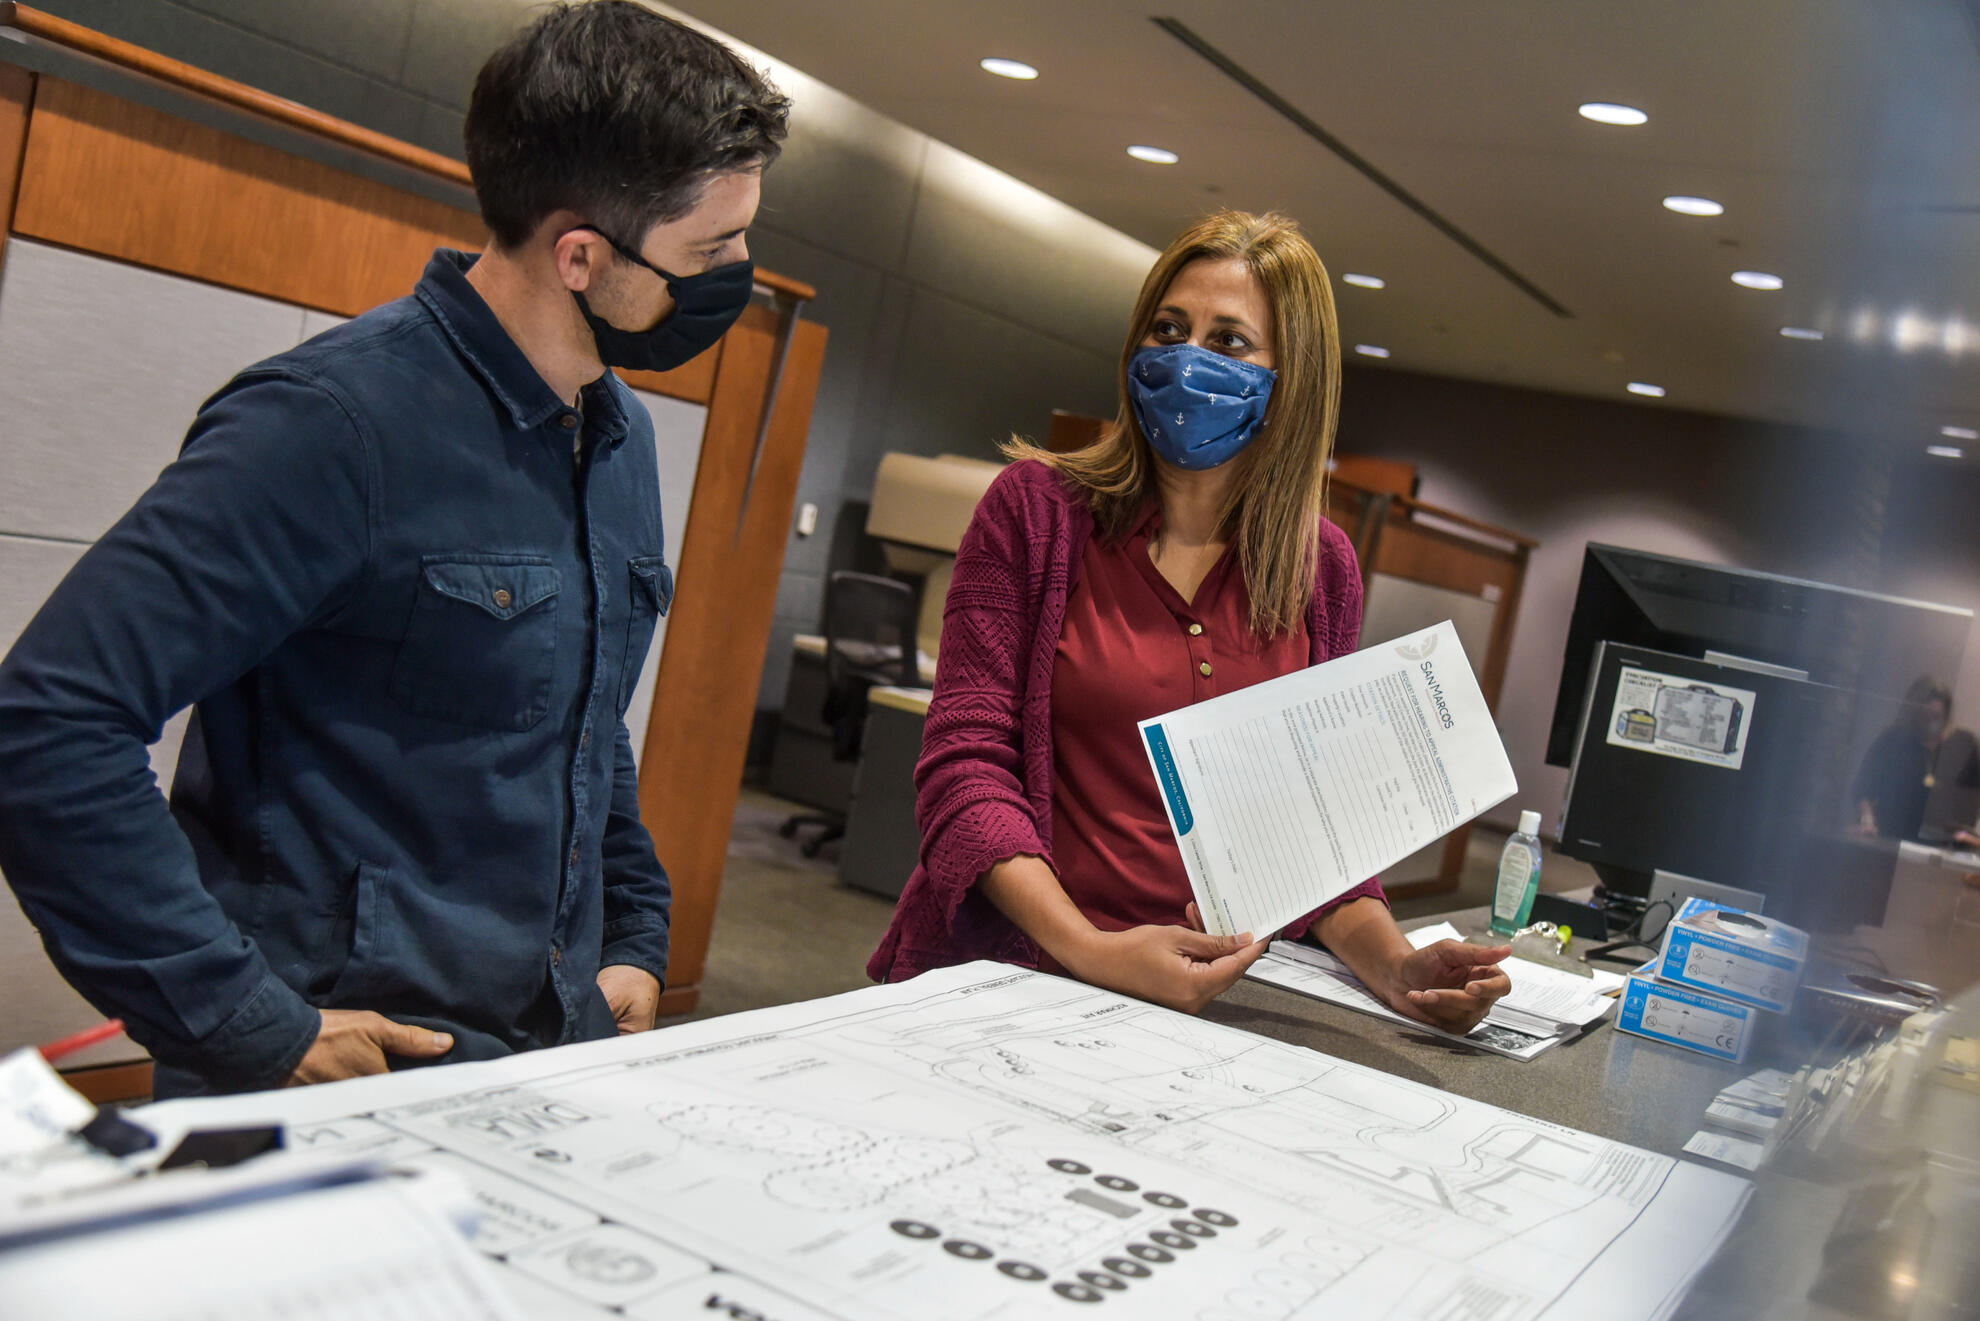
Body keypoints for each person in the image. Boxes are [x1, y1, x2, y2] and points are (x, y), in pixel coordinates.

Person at [0, 2, 790, 1096]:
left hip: (543, 1059)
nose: (740, 273)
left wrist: (632, 934)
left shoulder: (617, 437)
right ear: (578, 254)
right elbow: (49, 725)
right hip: (335, 1080)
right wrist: (242, 1019)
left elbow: (582, 722)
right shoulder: (330, 425)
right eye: (713, 249)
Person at [869, 211, 1512, 1031]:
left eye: (1231, 342)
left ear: (1294, 375)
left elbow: (1313, 832)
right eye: (1168, 330)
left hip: (1201, 1011)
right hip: (1012, 976)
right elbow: (964, 770)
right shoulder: (1035, 513)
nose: (1187, 360)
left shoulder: (1321, 570)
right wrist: (1089, 949)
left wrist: (1398, 967)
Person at [1853, 677, 1980, 842]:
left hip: (1946, 845)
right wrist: (1867, 821)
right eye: (1923, 718)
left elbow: (1972, 797)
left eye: (1936, 718)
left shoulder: (1965, 745)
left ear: (1945, 716)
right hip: (1892, 838)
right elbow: (1863, 788)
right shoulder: (1893, 739)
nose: (1930, 725)